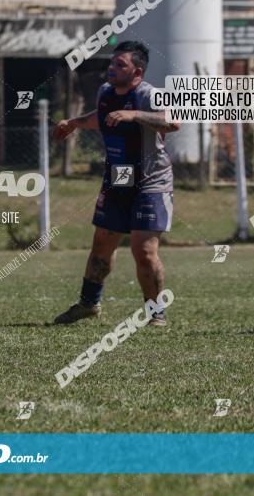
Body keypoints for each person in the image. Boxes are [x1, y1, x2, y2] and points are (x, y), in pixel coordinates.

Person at [52, 41, 179, 326]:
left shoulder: (149, 94)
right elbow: (102, 117)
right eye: (112, 63)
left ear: (138, 71)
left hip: (151, 180)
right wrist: (73, 122)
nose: (112, 68)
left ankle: (155, 312)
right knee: (103, 243)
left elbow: (173, 121)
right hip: (120, 176)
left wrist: (135, 115)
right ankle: (88, 304)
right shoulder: (106, 93)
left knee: (143, 250)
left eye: (120, 65)